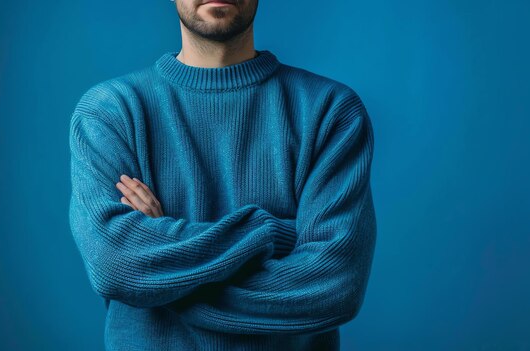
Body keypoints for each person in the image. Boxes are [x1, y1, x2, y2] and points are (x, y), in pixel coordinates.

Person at [68, 0, 377, 350]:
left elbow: (334, 289)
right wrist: (270, 232)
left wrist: (165, 278)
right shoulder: (112, 112)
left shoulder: (330, 111)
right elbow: (116, 265)